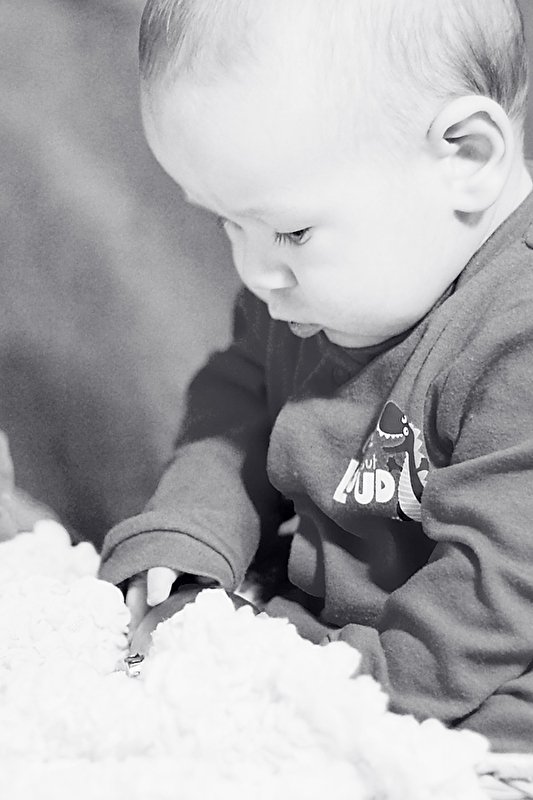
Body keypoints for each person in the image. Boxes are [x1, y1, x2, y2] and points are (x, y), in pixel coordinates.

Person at [99, 0, 533, 752]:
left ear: (465, 158)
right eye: (226, 223)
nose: (255, 272)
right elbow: (241, 402)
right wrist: (189, 535)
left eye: (290, 231)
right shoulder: (306, 297)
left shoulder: (515, 336)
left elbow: (492, 597)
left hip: (476, 719)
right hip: (333, 652)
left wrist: (289, 682)